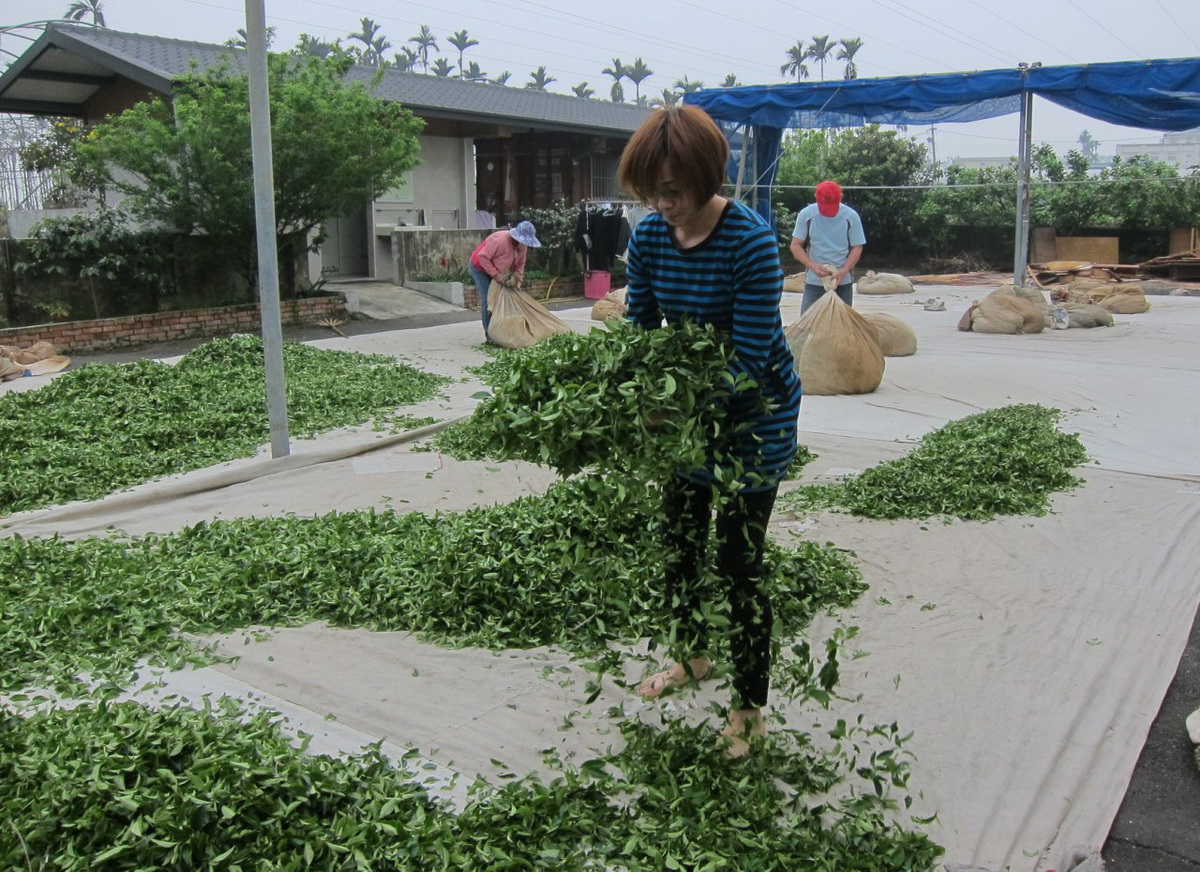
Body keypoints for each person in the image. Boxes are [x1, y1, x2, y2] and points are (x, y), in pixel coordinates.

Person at [618, 104, 803, 759]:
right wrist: (634, 395)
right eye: (650, 193)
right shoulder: (647, 238)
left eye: (672, 190)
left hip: (756, 417)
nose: (662, 204)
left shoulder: (750, 242)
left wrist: (683, 411)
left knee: (738, 565)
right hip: (686, 415)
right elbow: (639, 329)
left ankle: (749, 709)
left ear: (705, 175)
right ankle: (692, 656)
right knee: (678, 544)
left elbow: (752, 358)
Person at [789, 180, 866, 313]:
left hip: (842, 282)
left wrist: (844, 270)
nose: (828, 211)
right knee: (808, 327)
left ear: (841, 197)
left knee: (841, 327)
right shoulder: (806, 214)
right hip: (814, 282)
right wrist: (812, 265)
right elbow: (795, 246)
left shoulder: (851, 217)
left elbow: (857, 247)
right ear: (815, 197)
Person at [469, 221, 541, 341]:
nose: (525, 245)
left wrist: (517, 279)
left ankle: (501, 331)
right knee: (488, 299)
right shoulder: (500, 241)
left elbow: (520, 265)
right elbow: (482, 257)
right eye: (523, 242)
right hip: (479, 267)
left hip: (494, 268)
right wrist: (496, 275)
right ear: (517, 238)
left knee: (500, 300)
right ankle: (490, 335)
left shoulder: (522, 247)